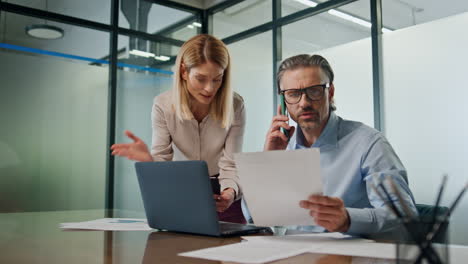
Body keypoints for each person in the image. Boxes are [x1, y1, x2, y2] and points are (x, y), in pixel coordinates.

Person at [264, 54, 417, 236]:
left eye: (314, 91)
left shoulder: (368, 143)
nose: (304, 103)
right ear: (283, 100)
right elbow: (253, 217)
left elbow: (405, 218)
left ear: (330, 93)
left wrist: (348, 219)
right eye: (293, 94)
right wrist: (268, 160)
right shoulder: (281, 146)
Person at [111, 34, 246, 224]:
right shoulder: (163, 105)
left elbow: (230, 162)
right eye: (201, 79)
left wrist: (230, 192)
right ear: (183, 71)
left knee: (236, 248)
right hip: (182, 190)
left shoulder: (235, 104)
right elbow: (162, 160)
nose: (210, 88)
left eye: (217, 79)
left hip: (224, 192)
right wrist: (149, 161)